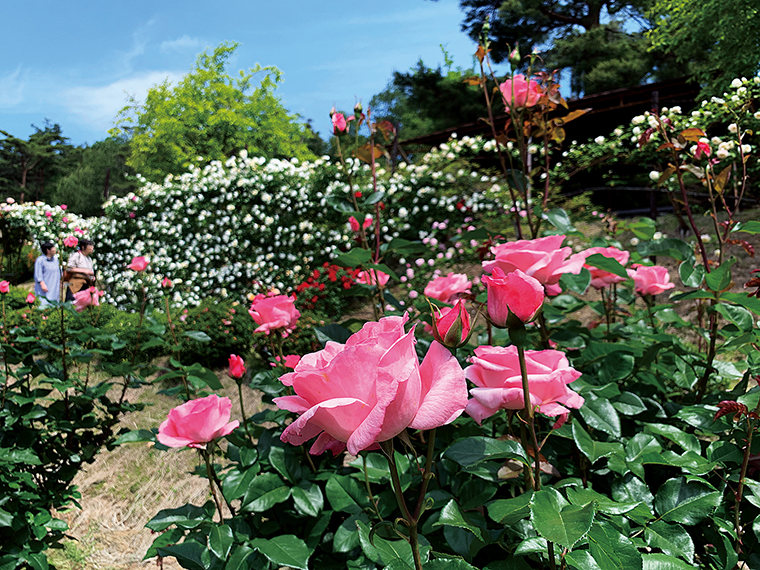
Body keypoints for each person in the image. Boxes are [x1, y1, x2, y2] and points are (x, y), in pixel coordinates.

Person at [34, 242, 61, 308]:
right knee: (44, 302)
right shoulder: (40, 260)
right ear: (48, 250)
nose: (55, 249)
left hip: (55, 284)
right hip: (45, 285)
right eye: (53, 248)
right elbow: (38, 273)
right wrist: (42, 283)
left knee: (54, 301)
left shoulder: (55, 259)